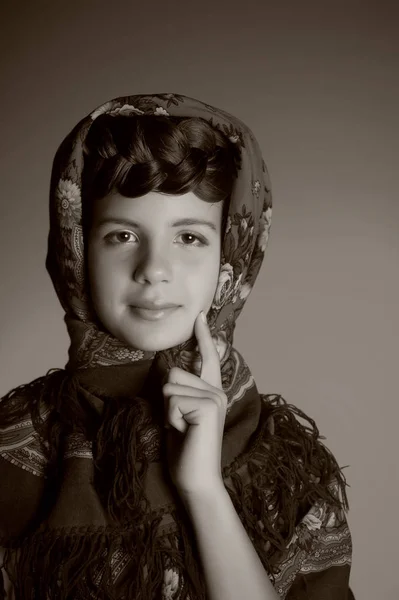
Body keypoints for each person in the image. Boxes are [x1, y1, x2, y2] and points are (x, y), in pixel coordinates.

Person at [0, 93, 354, 599]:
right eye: (122, 235)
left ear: (230, 259)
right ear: (75, 251)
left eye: (189, 238)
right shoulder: (12, 446)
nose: (154, 270)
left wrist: (204, 490)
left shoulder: (290, 472)